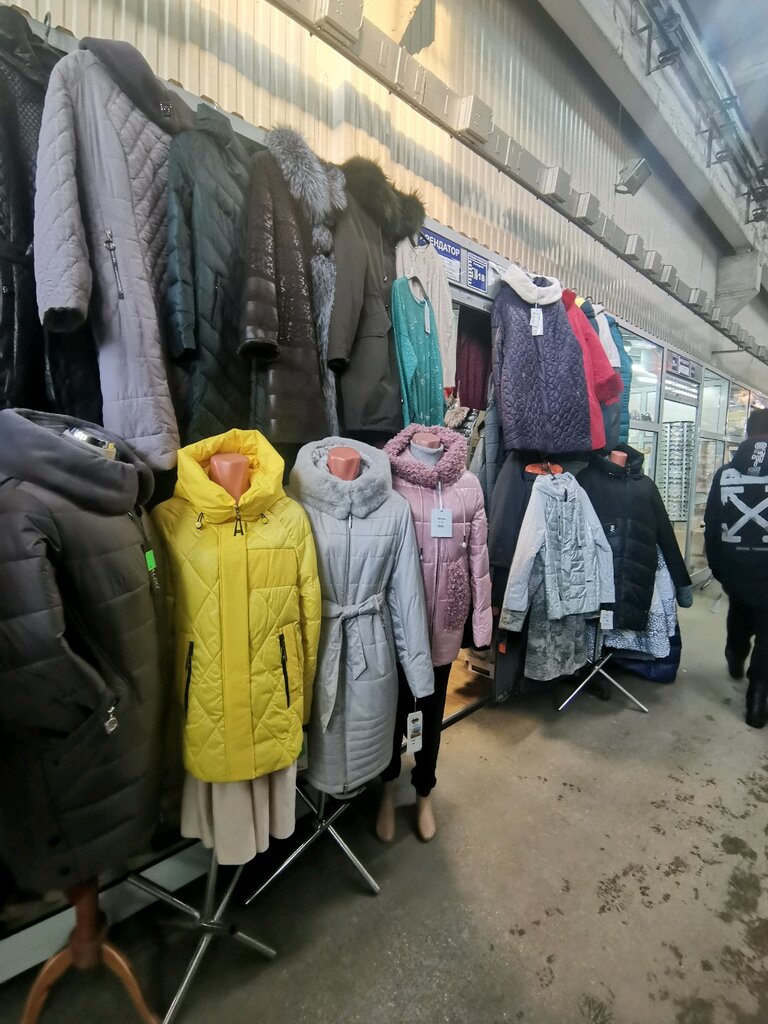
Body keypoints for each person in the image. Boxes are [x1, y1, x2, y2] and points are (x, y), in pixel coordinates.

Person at [704, 408, 768, 728]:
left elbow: (713, 522)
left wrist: (718, 567)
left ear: (747, 433)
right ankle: (757, 698)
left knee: (739, 612)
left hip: (736, 565)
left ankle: (735, 654)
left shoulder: (725, 474)